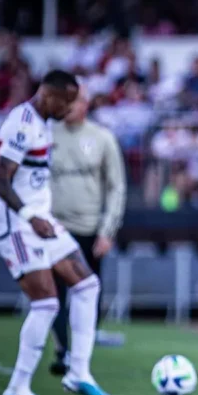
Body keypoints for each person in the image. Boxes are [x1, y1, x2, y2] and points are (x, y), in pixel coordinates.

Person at [0, 70, 114, 395]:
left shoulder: (43, 123)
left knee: (87, 285)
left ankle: (78, 373)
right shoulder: (22, 122)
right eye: (68, 99)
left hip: (42, 223)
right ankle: (17, 388)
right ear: (49, 94)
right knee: (46, 302)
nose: (72, 106)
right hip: (17, 226)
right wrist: (30, 216)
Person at [48, 81, 128, 377]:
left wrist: (108, 230)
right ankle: (62, 350)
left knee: (89, 292)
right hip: (55, 228)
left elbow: (116, 187)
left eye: (76, 100)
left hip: (89, 229)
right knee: (53, 293)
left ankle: (78, 354)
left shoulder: (102, 138)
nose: (70, 105)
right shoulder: (47, 135)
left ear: (86, 104)